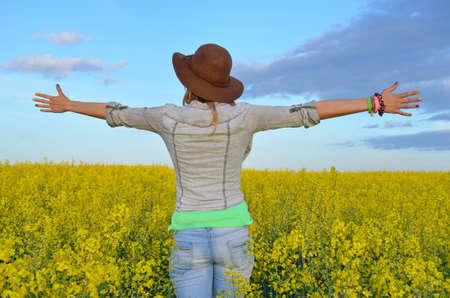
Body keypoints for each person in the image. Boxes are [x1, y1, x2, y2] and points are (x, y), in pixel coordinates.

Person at [32, 43, 421, 297]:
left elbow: (116, 114)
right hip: (233, 232)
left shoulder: (166, 117)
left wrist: (70, 105)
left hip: (189, 235)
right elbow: (309, 111)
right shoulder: (246, 116)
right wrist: (374, 103)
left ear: (188, 82)